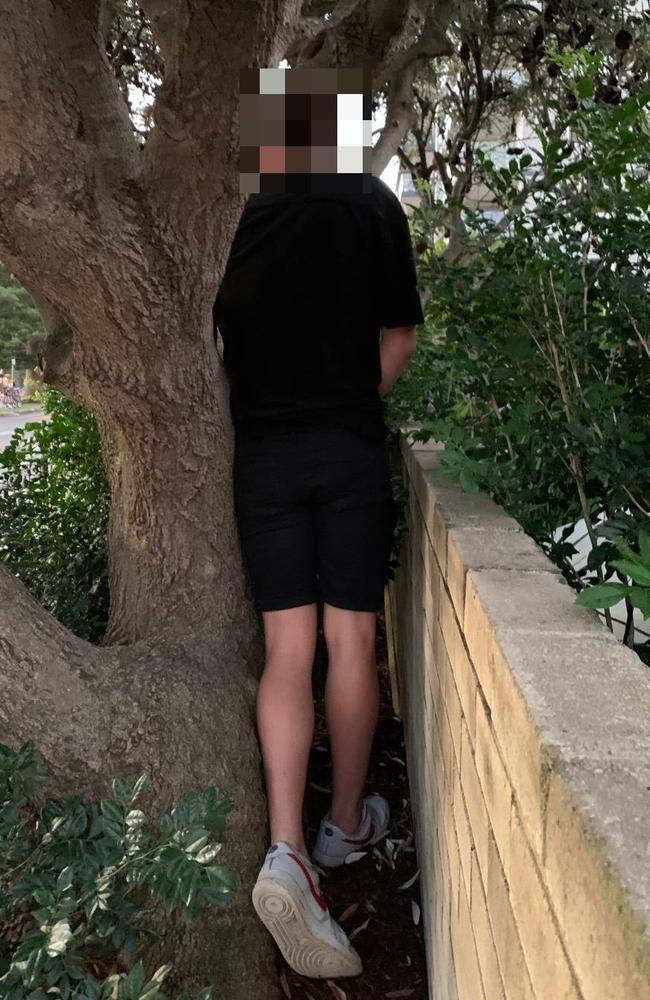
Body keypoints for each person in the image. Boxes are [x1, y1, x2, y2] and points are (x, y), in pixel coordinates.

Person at [213, 166, 424, 978]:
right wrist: (344, 401)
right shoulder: (370, 202)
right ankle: (344, 823)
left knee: (288, 649)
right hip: (346, 451)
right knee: (350, 635)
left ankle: (288, 851)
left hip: (262, 457)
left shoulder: (237, 212)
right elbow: (398, 336)